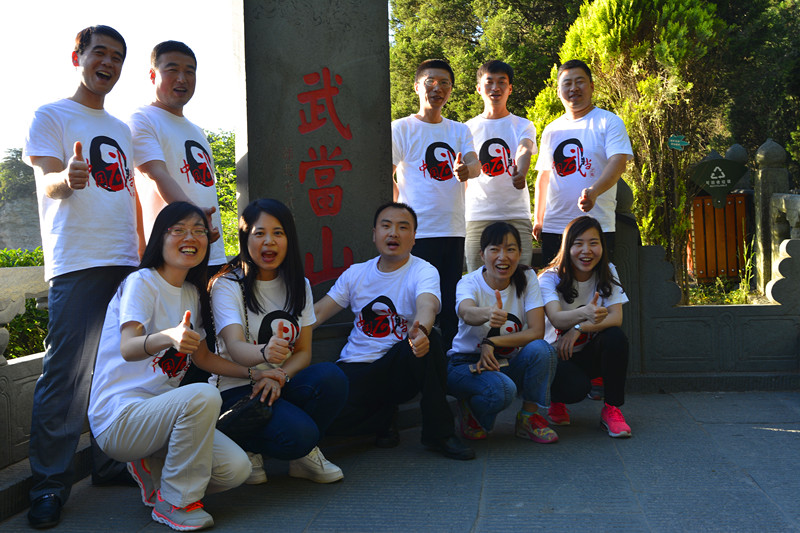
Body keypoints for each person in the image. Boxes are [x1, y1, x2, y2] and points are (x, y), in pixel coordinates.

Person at [88, 202, 271, 531]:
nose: (191, 237)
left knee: (236, 469)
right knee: (203, 395)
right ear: (160, 237)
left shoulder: (191, 294)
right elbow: (128, 347)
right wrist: (167, 337)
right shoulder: (142, 282)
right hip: (119, 416)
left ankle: (155, 474)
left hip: (161, 417)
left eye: (199, 231)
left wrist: (253, 373)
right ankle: (175, 503)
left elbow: (203, 358)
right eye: (180, 230)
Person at [22, 25, 140, 528]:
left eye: (117, 57)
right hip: (78, 260)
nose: (108, 63)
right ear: (79, 57)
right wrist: (66, 179)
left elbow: (128, 196)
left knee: (117, 368)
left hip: (126, 261)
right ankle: (49, 485)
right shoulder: (51, 115)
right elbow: (47, 181)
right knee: (66, 373)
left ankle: (110, 463)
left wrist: (143, 256)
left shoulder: (122, 129)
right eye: (99, 53)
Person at [314, 202, 475, 460]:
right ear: (374, 234)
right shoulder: (355, 273)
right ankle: (382, 418)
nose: (393, 233)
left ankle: (439, 434)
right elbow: (320, 312)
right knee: (322, 424)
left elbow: (427, 304)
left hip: (399, 365)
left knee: (432, 340)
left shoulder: (423, 270)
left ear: (414, 237)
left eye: (403, 227)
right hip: (356, 368)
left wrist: (421, 331)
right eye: (386, 226)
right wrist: (283, 334)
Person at [210, 198, 348, 485]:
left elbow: (304, 352)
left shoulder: (299, 284)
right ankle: (246, 445)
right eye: (259, 233)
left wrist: (279, 376)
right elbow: (235, 347)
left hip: (278, 383)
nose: (269, 242)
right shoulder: (227, 285)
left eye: (278, 233)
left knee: (331, 377)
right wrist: (264, 353)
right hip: (237, 389)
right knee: (300, 435)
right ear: (245, 238)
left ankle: (302, 457)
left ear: (289, 239)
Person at [129, 40, 224, 384]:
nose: (182, 78)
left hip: (210, 252)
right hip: (172, 254)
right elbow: (157, 174)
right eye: (172, 69)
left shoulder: (196, 131)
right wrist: (196, 220)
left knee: (209, 340)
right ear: (152, 74)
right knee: (176, 345)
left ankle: (212, 409)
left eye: (190, 71)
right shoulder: (142, 119)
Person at [392, 58, 481, 348]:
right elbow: (385, 176)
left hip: (452, 229)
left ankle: (451, 360)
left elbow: (475, 163)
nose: (437, 88)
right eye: (430, 81)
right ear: (417, 86)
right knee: (417, 303)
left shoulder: (459, 130)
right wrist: (397, 218)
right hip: (416, 233)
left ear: (451, 90)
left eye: (444, 83)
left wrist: (467, 170)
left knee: (450, 300)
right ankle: (415, 357)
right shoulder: (401, 128)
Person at [447, 222, 558, 442]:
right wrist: (487, 313)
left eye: (510, 249)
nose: (502, 257)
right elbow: (466, 312)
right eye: (495, 249)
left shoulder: (527, 277)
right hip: (466, 364)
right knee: (503, 390)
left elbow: (537, 331)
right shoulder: (468, 282)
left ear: (520, 253)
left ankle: (528, 418)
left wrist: (492, 342)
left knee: (543, 350)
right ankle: (471, 410)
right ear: (482, 255)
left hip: (505, 361)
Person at [537, 216, 632, 438]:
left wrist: (579, 327)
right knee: (575, 390)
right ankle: (556, 400)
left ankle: (612, 409)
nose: (586, 251)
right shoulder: (549, 278)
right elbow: (557, 319)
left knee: (615, 337)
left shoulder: (607, 270)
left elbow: (616, 317)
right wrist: (585, 314)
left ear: (602, 246)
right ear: (567, 247)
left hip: (586, 351)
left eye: (593, 243)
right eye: (578, 243)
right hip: (556, 356)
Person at [533, 59, 633, 266]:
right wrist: (538, 218)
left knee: (596, 283)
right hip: (555, 226)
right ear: (559, 91)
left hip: (596, 225)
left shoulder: (609, 122)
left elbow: (618, 163)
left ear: (591, 86)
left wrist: (594, 192)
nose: (574, 88)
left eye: (580, 82)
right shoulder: (552, 129)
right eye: (567, 83)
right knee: (554, 283)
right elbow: (544, 176)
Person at [464, 60, 537, 272]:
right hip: (478, 215)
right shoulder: (466, 128)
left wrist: (520, 172)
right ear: (479, 88)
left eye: (502, 82)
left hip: (516, 214)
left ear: (510, 88)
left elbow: (524, 149)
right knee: (477, 278)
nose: (495, 88)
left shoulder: (523, 125)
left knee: (521, 278)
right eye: (489, 82)